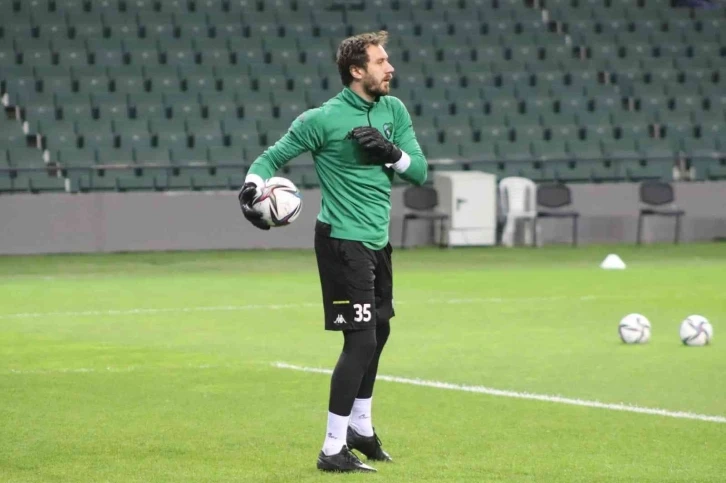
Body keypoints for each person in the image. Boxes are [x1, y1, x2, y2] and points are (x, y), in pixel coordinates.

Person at [238, 31, 428, 473]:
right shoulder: (321, 119)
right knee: (360, 342)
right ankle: (332, 448)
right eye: (381, 62)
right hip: (342, 241)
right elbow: (269, 159)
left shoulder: (394, 110)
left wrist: (392, 152)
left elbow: (419, 171)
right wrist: (250, 189)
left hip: (378, 240)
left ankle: (361, 429)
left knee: (380, 332)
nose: (390, 68)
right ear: (356, 71)